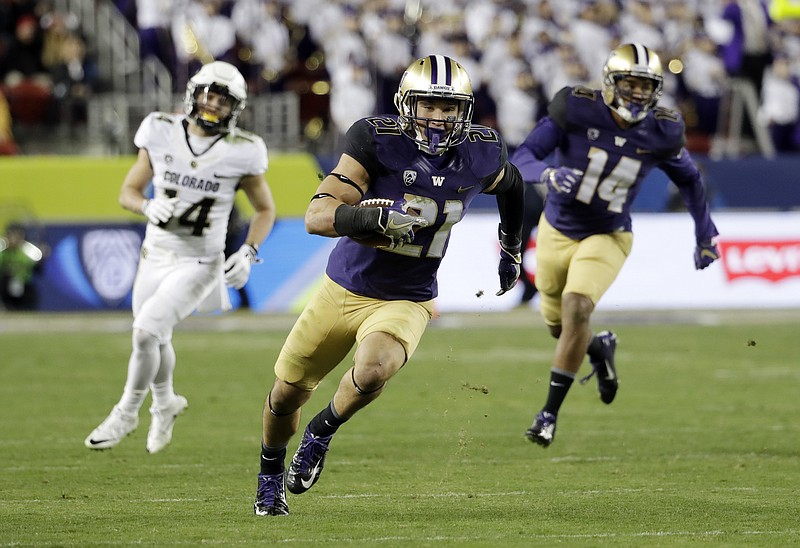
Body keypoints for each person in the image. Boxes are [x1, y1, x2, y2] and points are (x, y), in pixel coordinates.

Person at [253, 54, 525, 516]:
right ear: (405, 104)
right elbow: (316, 217)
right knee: (285, 394)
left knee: (375, 368)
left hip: (408, 297)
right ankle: (270, 473)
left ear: (465, 111)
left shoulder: (482, 151)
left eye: (449, 108)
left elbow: (516, 186)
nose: (438, 118)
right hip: (343, 289)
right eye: (427, 105)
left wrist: (511, 246)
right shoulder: (376, 141)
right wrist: (371, 216)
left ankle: (321, 431)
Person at [511, 43, 720, 448]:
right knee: (561, 328)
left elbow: (690, 179)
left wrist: (705, 233)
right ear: (610, 83)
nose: (639, 94)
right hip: (555, 229)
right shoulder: (576, 108)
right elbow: (523, 157)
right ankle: (599, 347)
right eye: (632, 83)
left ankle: (548, 415)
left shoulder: (661, 129)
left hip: (608, 234)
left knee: (577, 306)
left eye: (647, 86)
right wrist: (549, 175)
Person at [85, 61, 276, 454]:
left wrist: (249, 251)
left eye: (223, 99)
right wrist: (145, 206)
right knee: (156, 335)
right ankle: (166, 402)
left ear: (235, 108)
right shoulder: (159, 130)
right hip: (153, 254)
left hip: (199, 262)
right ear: (192, 93)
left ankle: (127, 410)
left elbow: (264, 210)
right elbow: (128, 191)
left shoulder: (243, 150)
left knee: (144, 333)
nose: (212, 103)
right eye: (208, 93)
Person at [0, 223, 43, 310]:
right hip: (5, 288)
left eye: (17, 235)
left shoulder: (28, 252)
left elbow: (39, 269)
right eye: (11, 235)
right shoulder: (2, 252)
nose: (14, 239)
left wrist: (41, 260)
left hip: (24, 286)